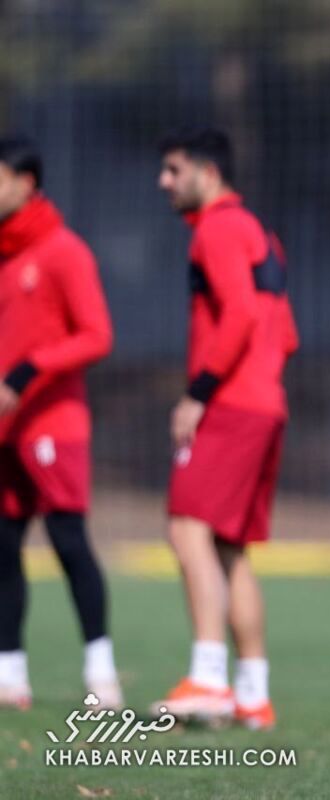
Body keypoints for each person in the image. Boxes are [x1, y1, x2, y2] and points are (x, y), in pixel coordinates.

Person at [153, 127, 298, 730]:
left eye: (173, 169)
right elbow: (283, 332)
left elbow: (238, 314)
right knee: (228, 549)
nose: (163, 181)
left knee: (187, 529)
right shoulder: (260, 232)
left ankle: (209, 679)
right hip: (265, 403)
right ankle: (252, 694)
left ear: (208, 173)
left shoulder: (216, 229)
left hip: (231, 405)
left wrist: (198, 395)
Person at [0, 135, 121, 710]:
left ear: (26, 184)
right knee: (2, 547)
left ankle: (101, 672)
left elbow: (97, 335)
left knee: (69, 542)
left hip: (53, 423)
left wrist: (27, 371)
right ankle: (9, 675)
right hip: (5, 429)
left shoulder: (63, 250)